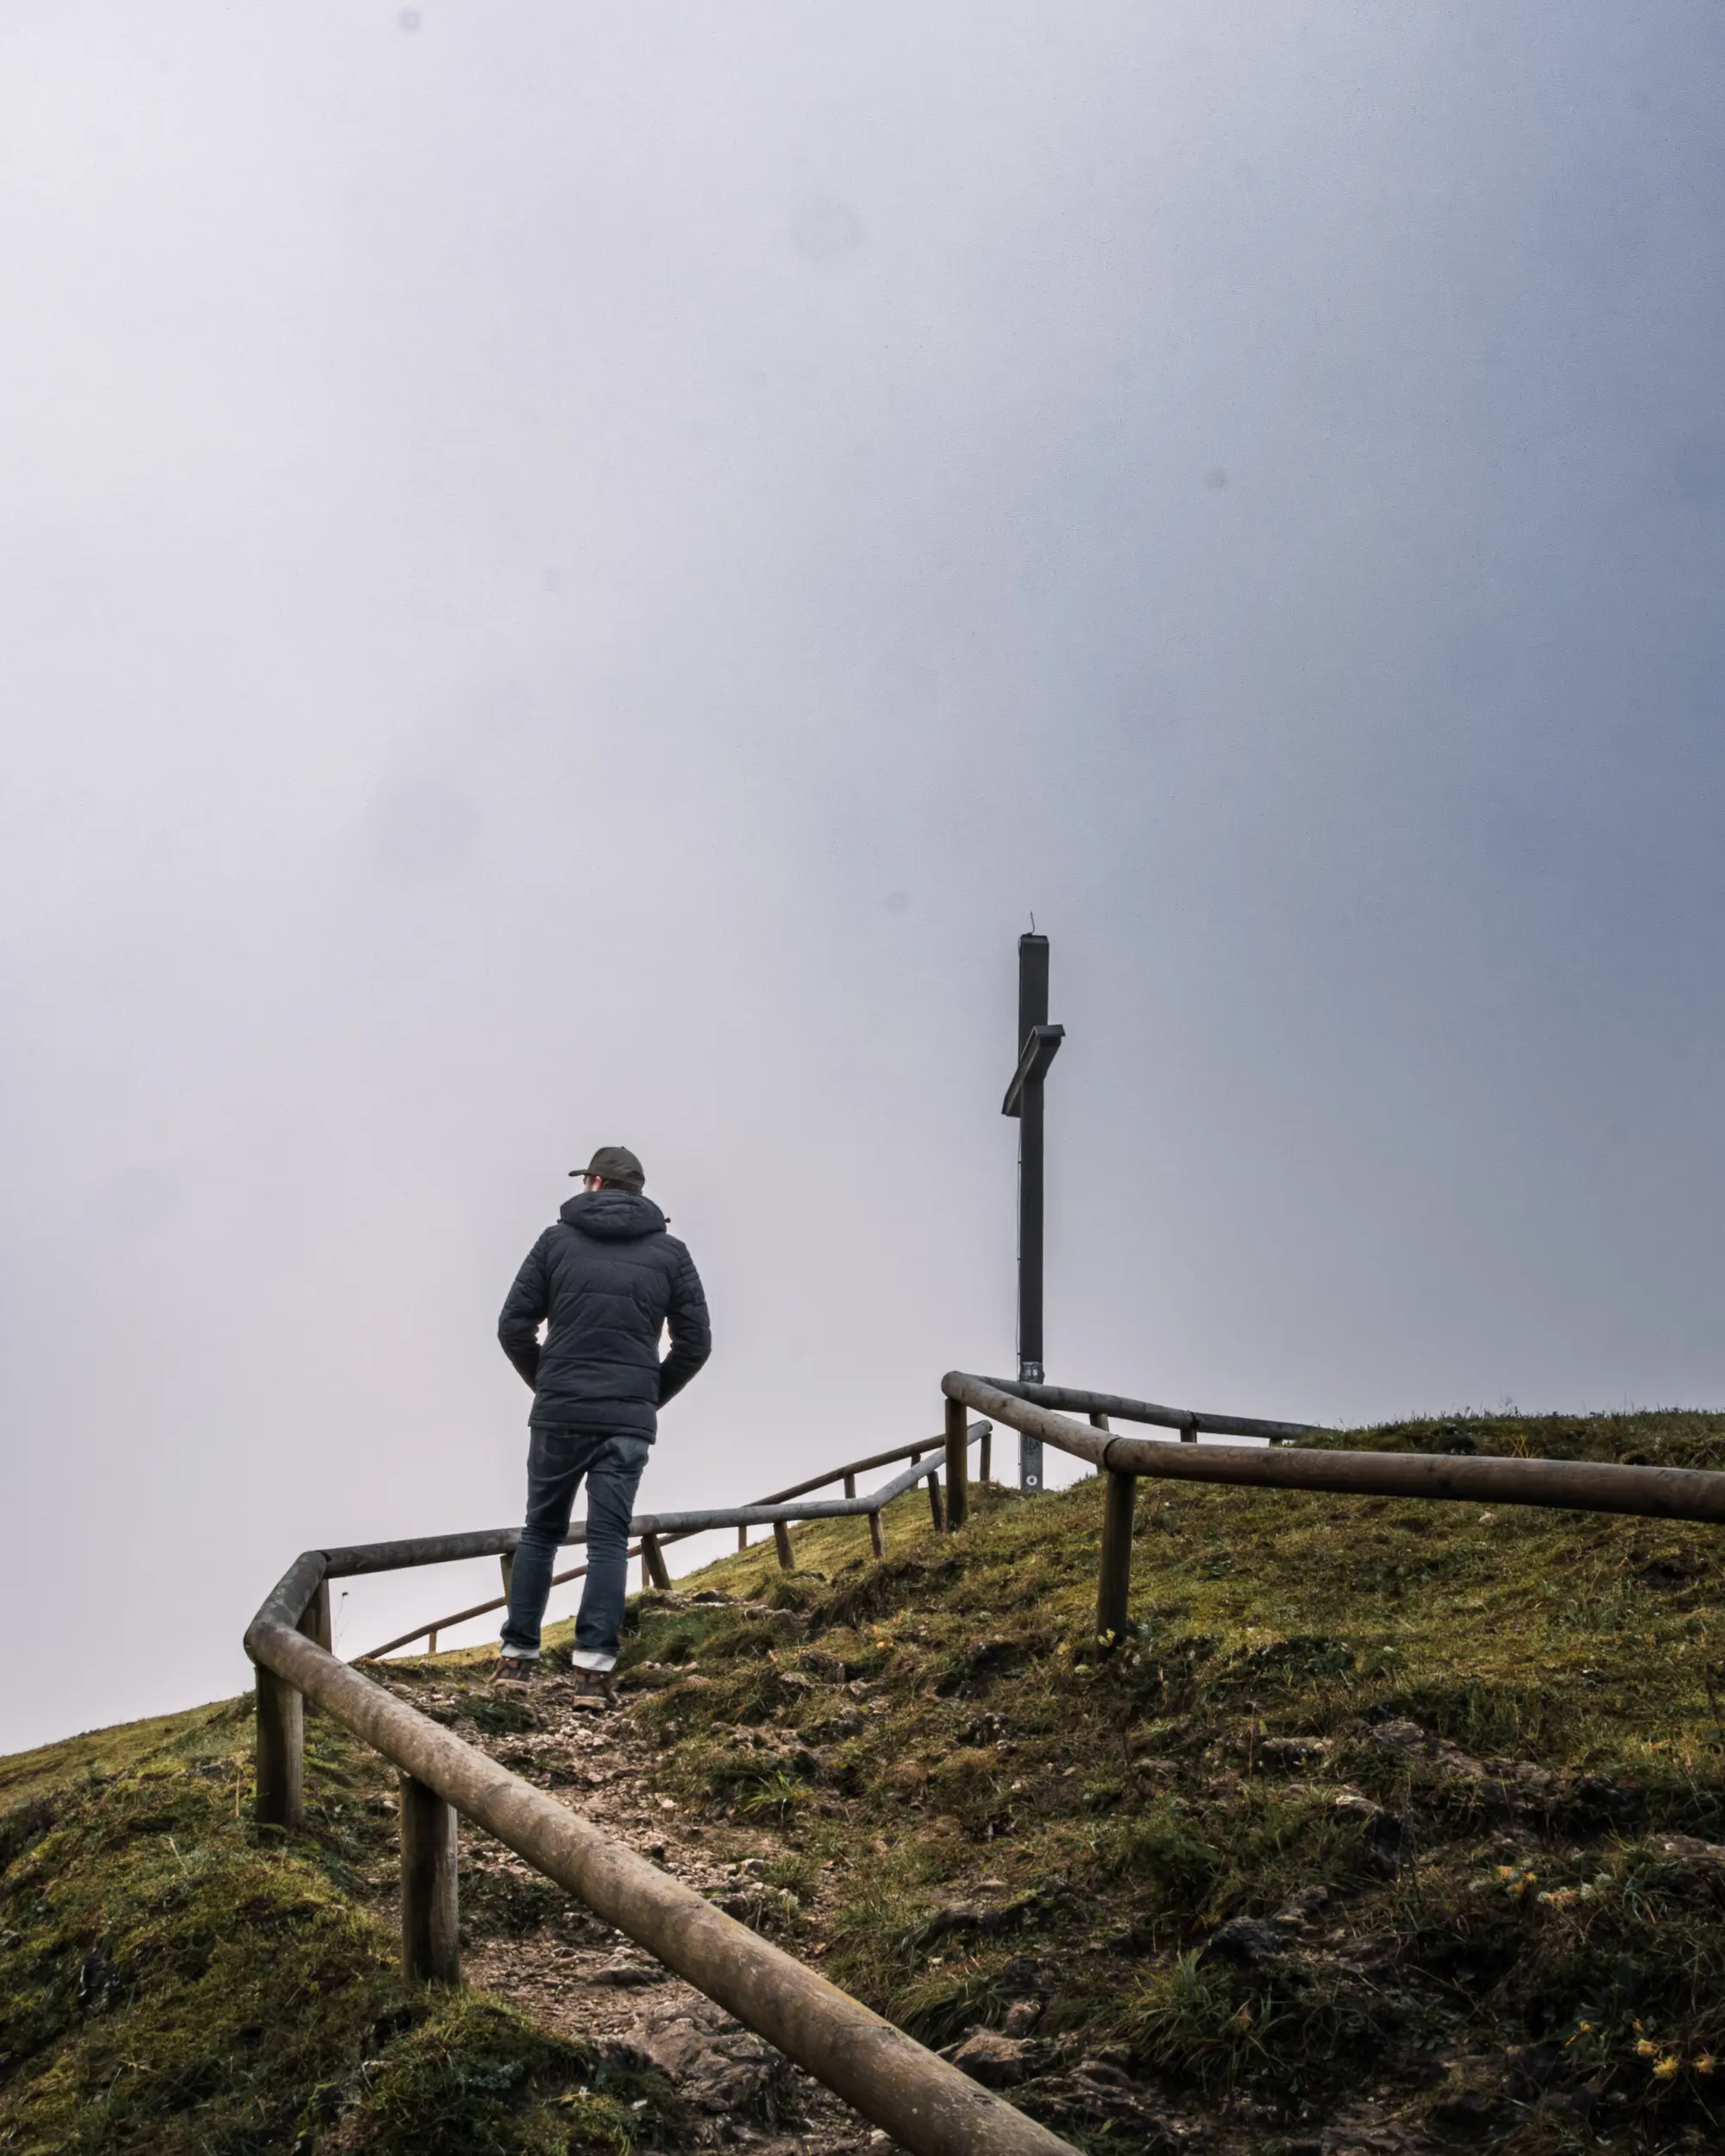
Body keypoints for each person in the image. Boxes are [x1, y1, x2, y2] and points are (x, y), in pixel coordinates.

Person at [495, 1144, 711, 1702]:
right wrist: (644, 1398)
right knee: (609, 1539)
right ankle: (593, 1671)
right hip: (627, 1421)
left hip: (560, 1411)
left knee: (540, 1532)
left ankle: (517, 1661)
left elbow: (513, 1326)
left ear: (593, 1182)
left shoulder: (555, 1241)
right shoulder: (673, 1254)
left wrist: (549, 1382)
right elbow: (696, 1344)